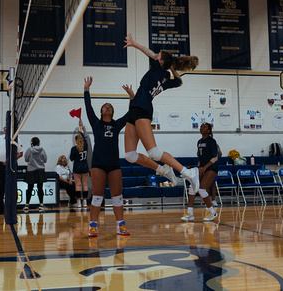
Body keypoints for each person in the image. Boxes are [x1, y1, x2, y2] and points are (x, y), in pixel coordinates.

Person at [122, 34, 200, 192]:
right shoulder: (164, 75)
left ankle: (187, 172)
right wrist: (172, 69)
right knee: (130, 155)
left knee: (154, 151)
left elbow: (149, 52)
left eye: (158, 56)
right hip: (135, 107)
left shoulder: (159, 69)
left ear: (161, 61)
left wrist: (135, 43)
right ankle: (163, 170)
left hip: (142, 108)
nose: (155, 56)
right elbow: (179, 81)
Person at [84, 76, 134, 237]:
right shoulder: (96, 123)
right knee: (97, 196)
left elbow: (130, 114)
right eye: (104, 107)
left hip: (114, 165)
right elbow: (88, 107)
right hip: (98, 164)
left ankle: (121, 226)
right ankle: (92, 226)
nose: (107, 108)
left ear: (112, 112)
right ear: (101, 111)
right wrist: (86, 89)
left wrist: (131, 97)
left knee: (117, 197)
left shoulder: (117, 124)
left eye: (109, 107)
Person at [181, 122, 219, 222]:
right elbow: (200, 157)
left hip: (211, 168)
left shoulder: (212, 141)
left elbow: (215, 157)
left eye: (204, 127)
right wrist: (198, 168)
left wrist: (205, 167)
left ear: (208, 130)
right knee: (192, 187)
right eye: (201, 127)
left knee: (202, 189)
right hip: (202, 168)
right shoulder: (199, 142)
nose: (202, 128)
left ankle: (212, 211)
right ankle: (190, 213)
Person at [0, 126, 23, 215]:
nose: (5, 130)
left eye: (7, 128)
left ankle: (12, 208)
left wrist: (10, 160)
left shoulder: (16, 139)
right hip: (0, 165)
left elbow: (20, 153)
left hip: (11, 165)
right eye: (4, 129)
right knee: (0, 187)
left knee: (12, 187)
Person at [23, 137, 48, 211]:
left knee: (30, 188)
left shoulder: (29, 150)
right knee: (40, 188)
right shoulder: (42, 150)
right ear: (39, 142)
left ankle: (27, 204)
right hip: (40, 170)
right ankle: (41, 204)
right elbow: (45, 160)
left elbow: (26, 159)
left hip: (31, 170)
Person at [70, 122, 90, 207]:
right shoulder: (86, 145)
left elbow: (71, 158)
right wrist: (80, 127)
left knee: (78, 185)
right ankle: (85, 201)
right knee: (85, 184)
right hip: (85, 167)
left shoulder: (74, 148)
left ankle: (78, 202)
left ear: (76, 140)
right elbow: (84, 137)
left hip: (77, 168)